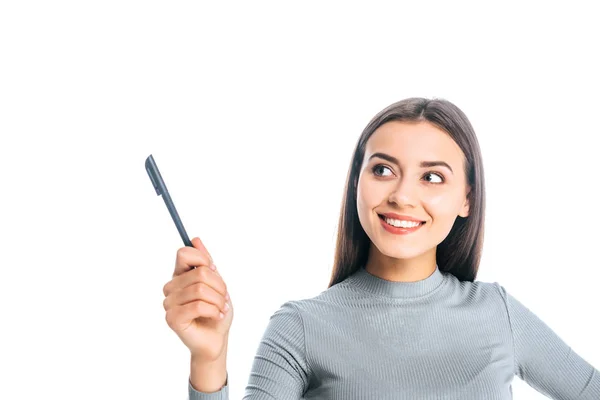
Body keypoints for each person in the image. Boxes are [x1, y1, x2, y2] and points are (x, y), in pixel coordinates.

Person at [162, 97, 600, 399]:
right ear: (357, 182)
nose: (402, 196)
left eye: (432, 177)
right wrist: (209, 357)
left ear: (467, 197)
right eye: (384, 169)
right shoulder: (300, 328)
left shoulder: (497, 313)